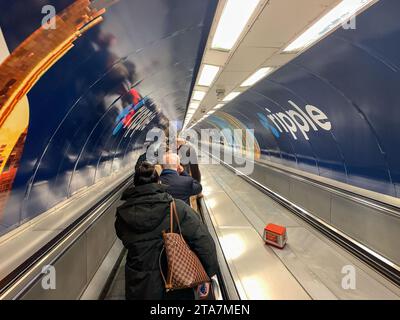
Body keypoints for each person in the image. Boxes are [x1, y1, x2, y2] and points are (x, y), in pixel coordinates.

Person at [115, 162, 218, 300]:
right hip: (176, 280)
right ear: (158, 181)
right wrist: (209, 273)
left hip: (139, 283)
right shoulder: (177, 207)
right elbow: (202, 240)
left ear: (135, 185)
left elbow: (123, 236)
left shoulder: (123, 213)